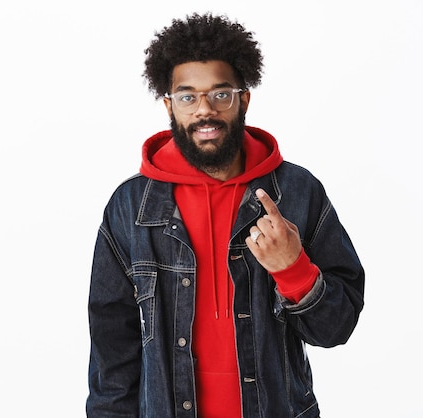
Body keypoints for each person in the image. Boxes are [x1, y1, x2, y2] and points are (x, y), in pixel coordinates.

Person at [86, 12, 365, 418]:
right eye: (187, 96)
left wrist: (293, 270)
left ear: (243, 99)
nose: (205, 110)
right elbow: (112, 348)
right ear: (169, 105)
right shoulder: (131, 207)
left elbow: (336, 328)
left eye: (220, 94)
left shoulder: (298, 193)